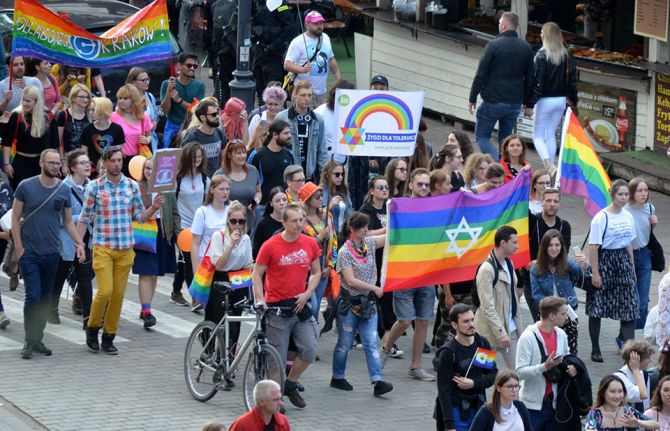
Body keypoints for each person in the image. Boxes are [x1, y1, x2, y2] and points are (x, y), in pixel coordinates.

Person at [77, 146, 164, 354]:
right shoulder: (95, 187)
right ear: (105, 163)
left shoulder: (131, 186)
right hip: (103, 246)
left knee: (118, 295)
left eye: (119, 160)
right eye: (113, 160)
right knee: (105, 291)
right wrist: (79, 244)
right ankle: (93, 327)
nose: (117, 164)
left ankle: (109, 336)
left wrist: (154, 208)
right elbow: (84, 218)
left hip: (126, 247)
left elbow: (139, 216)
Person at [11, 149, 84, 359]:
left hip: (52, 252)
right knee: (32, 296)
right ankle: (28, 340)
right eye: (50, 163)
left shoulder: (63, 190)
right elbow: (16, 218)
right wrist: (19, 246)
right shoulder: (26, 186)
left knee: (45, 298)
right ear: (41, 163)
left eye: (57, 163)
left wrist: (78, 243)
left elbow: (68, 221)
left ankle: (38, 338)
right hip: (30, 252)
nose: (54, 166)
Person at [252, 204, 322, 408]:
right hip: (277, 308)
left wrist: (308, 293)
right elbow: (257, 273)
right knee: (277, 359)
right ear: (284, 222)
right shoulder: (271, 245)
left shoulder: (309, 243)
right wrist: (260, 298)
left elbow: (316, 271)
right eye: (294, 220)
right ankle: (275, 401)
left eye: (301, 219)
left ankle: (290, 384)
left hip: (300, 305)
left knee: (309, 349)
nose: (299, 224)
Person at [380, 168, 436, 381]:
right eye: (419, 184)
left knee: (422, 320)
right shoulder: (399, 206)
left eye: (426, 185)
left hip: (427, 273)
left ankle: (415, 366)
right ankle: (385, 348)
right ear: (411, 185)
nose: (423, 188)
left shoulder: (434, 208)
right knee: (404, 320)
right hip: (405, 271)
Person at [330, 211, 393, 397]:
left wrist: (399, 220)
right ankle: (337, 376)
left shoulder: (369, 244)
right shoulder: (344, 252)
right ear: (352, 229)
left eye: (367, 226)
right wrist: (374, 288)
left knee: (371, 342)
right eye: (363, 227)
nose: (367, 230)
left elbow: (389, 237)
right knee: (345, 343)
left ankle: (377, 380)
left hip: (368, 305)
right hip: (350, 304)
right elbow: (350, 281)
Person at [468, 12, 534, 160]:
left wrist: (472, 97)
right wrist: (528, 103)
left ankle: (497, 165)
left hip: (493, 100)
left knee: (482, 137)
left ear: (503, 25)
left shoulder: (493, 45)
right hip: (515, 101)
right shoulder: (526, 48)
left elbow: (481, 74)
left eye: (499, 24)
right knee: (505, 141)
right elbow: (530, 77)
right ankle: (506, 169)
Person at [588, 179, 638, 362]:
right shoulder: (601, 217)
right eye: (620, 194)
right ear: (612, 195)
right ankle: (595, 348)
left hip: (623, 261)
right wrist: (595, 272)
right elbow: (593, 246)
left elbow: (629, 244)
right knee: (597, 306)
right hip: (605, 261)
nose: (624, 198)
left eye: (626, 194)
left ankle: (630, 349)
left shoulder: (628, 216)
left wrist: (632, 269)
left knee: (629, 305)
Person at [516, 296, 577, 431]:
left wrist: (572, 368)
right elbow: (519, 373)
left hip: (555, 404)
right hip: (532, 407)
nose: (566, 317)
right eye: (563, 313)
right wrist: (544, 367)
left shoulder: (561, 335)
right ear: (551, 316)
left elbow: (566, 359)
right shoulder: (527, 338)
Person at [435, 304, 498, 431]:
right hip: (457, 410)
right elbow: (444, 390)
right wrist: (449, 424)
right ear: (454, 325)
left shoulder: (481, 343)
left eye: (472, 319)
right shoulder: (448, 352)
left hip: (479, 407)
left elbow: (493, 375)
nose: (471, 324)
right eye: (466, 321)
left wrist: (473, 383)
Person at [49, 149, 94, 328]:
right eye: (83, 163)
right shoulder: (62, 188)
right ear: (73, 168)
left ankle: (88, 317)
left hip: (86, 241)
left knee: (85, 276)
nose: (88, 165)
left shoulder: (92, 186)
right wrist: (81, 218)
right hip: (66, 241)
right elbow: (58, 218)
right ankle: (52, 308)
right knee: (60, 276)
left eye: (88, 162)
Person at [133, 157, 179, 328]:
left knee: (154, 273)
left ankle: (146, 306)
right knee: (145, 272)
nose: (149, 172)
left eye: (152, 168)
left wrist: (177, 234)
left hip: (163, 232)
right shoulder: (137, 187)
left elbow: (174, 212)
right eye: (146, 168)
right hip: (145, 231)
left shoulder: (167, 189)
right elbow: (133, 211)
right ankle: (147, 312)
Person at [529, 21, 578, 175]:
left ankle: (548, 164)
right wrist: (573, 100)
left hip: (545, 100)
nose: (540, 33)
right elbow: (573, 81)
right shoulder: (566, 55)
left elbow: (538, 82)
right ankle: (551, 170)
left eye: (543, 31)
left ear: (547, 35)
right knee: (550, 134)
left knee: (537, 135)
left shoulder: (541, 55)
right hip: (561, 100)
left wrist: (530, 103)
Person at [358, 176, 399, 352]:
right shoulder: (366, 210)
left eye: (386, 187)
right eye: (380, 187)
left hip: (388, 259)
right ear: (372, 191)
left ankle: (387, 338)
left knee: (387, 299)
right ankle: (384, 338)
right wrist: (387, 228)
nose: (384, 190)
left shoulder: (391, 207)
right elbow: (366, 234)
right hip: (370, 260)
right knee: (375, 298)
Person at [530, 229, 587, 354]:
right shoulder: (536, 268)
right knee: (549, 351)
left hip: (567, 312)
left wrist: (584, 263)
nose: (554, 248)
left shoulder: (567, 264)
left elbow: (580, 270)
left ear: (562, 247)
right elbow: (536, 294)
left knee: (570, 351)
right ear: (544, 247)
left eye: (557, 245)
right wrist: (551, 307)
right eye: (550, 245)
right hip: (547, 315)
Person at [474, 225, 522, 369]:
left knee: (518, 372)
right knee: (482, 373)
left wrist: (519, 330)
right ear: (503, 243)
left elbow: (513, 299)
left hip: (511, 330)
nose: (518, 246)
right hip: (488, 334)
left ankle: (509, 392)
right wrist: (500, 333)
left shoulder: (509, 263)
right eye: (514, 242)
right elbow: (487, 307)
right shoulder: (486, 270)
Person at [206, 201, 253, 350]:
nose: (237, 225)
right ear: (228, 221)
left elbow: (248, 264)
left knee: (236, 320)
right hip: (221, 278)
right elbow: (218, 265)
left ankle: (230, 354)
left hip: (239, 279)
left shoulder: (245, 239)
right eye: (233, 221)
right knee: (220, 319)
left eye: (241, 221)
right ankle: (213, 350)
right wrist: (231, 244)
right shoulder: (219, 236)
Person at [525, 187, 573, 322]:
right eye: (548, 200)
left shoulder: (564, 226)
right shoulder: (533, 222)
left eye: (555, 201)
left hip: (557, 280)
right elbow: (519, 204)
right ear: (542, 202)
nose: (552, 204)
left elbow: (564, 254)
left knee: (561, 323)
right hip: (534, 280)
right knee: (541, 321)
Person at [172, 143, 210, 306]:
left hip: (199, 224)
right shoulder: (178, 180)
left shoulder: (204, 179)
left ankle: (175, 290)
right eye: (194, 157)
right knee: (188, 259)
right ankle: (195, 297)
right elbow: (172, 202)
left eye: (200, 157)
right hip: (183, 225)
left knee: (186, 260)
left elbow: (207, 201)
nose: (197, 160)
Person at [3, 86, 59, 191]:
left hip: (42, 164)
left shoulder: (49, 116)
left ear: (37, 101)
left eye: (28, 101)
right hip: (21, 163)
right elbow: (7, 142)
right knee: (22, 196)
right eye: (23, 100)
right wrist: (6, 164)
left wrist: (55, 164)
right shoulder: (17, 115)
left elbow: (54, 143)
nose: (24, 103)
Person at [190, 175, 231, 312]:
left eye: (227, 189)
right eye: (221, 189)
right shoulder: (203, 212)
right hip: (208, 263)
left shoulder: (231, 210)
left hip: (227, 263)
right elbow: (195, 243)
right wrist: (196, 272)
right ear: (212, 190)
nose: (225, 192)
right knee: (212, 307)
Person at [284, 10, 341, 107]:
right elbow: (287, 64)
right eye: (315, 23)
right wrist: (301, 69)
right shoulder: (298, 42)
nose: (319, 26)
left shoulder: (326, 38)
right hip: (302, 93)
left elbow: (331, 59)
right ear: (307, 25)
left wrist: (339, 78)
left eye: (321, 23)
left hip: (322, 92)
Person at [275, 80, 327, 182]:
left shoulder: (318, 120)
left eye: (309, 95)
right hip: (287, 174)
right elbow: (274, 145)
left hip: (309, 175)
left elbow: (322, 150)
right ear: (295, 95)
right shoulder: (282, 118)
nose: (307, 99)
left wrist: (323, 177)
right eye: (303, 95)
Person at [299, 181, 337, 321]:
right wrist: (319, 238)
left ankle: (312, 337)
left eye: (322, 196)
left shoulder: (327, 217)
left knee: (317, 302)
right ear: (308, 200)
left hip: (324, 263)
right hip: (307, 266)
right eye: (317, 197)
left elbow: (334, 242)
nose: (321, 199)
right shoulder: (300, 220)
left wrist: (330, 265)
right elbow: (302, 246)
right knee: (312, 305)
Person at [624, 178, 658, 330]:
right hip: (626, 255)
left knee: (642, 301)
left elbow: (646, 234)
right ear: (632, 192)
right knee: (632, 299)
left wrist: (654, 225)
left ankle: (636, 337)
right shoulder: (624, 209)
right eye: (640, 190)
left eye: (646, 190)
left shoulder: (650, 208)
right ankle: (625, 336)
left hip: (644, 255)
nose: (644, 194)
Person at [250, 0, 298, 105]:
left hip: (273, 55)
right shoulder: (256, 3)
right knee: (260, 90)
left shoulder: (278, 3)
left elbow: (290, 27)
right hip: (258, 51)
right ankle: (262, 116)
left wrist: (274, 46)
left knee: (276, 92)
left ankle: (279, 118)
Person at [249, 119, 295, 217]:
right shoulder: (257, 155)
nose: (289, 136)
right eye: (286, 133)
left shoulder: (289, 154)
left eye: (290, 133)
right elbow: (250, 180)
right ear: (274, 135)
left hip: (285, 206)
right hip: (262, 207)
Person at [160, 53, 206, 149]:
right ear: (179, 66)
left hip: (192, 127)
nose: (192, 68)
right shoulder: (166, 84)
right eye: (189, 65)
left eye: (195, 66)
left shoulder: (200, 86)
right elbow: (165, 111)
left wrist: (178, 100)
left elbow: (196, 109)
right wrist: (169, 91)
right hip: (173, 127)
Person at [214, 140, 261, 230]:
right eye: (238, 153)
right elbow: (213, 199)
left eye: (244, 152)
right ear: (229, 155)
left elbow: (258, 191)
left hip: (248, 222)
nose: (243, 156)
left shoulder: (253, 171)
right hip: (225, 224)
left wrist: (255, 201)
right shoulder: (219, 174)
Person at [584, 374, 659, 430]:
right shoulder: (596, 414)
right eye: (612, 392)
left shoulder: (628, 412)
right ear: (603, 393)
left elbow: (656, 424)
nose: (617, 396)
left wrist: (638, 422)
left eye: (620, 391)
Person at [469, 370, 533, 431]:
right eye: (510, 386)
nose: (514, 390)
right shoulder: (486, 411)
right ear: (499, 388)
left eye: (516, 386)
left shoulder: (520, 406)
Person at [111, 84, 152, 175]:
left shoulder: (143, 117)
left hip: (139, 158)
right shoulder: (113, 116)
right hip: (121, 159)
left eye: (125, 98)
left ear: (133, 100)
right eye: (120, 98)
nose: (121, 101)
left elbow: (149, 135)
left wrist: (147, 139)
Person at [79, 97, 125, 176]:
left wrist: (104, 162)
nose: (90, 112)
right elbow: (84, 151)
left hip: (112, 169)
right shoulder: (88, 129)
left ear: (102, 110)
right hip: (92, 170)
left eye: (93, 110)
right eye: (90, 110)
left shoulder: (117, 129)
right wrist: (87, 166)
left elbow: (118, 151)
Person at [314, 80, 355, 166]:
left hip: (345, 166)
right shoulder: (319, 114)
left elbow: (352, 142)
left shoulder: (351, 115)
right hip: (324, 166)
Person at [182, 98, 226, 176]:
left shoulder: (219, 133)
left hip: (216, 179)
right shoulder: (192, 135)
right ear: (203, 117)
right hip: (199, 179)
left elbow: (223, 158)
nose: (218, 117)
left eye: (218, 113)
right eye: (214, 114)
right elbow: (185, 160)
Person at [126, 67, 159, 154]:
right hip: (134, 142)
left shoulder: (150, 97)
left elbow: (155, 117)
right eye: (143, 80)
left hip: (150, 141)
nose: (147, 82)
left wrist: (155, 123)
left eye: (148, 79)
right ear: (133, 82)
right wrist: (149, 126)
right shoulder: (127, 98)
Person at [616, 340, 654, 412]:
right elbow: (642, 395)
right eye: (648, 357)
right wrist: (636, 370)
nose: (650, 360)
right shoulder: (619, 378)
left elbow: (646, 403)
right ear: (636, 359)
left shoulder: (644, 374)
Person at [252, 186, 287, 259]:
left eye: (284, 200)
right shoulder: (263, 223)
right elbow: (256, 250)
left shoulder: (291, 220)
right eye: (277, 201)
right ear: (271, 203)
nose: (282, 203)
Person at [57, 84, 92, 153]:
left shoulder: (91, 116)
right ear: (73, 98)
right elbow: (59, 141)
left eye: (87, 97)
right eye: (81, 97)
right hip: (68, 158)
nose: (85, 100)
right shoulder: (63, 115)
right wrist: (61, 159)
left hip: (87, 159)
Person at [320, 159, 352, 232]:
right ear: (326, 174)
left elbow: (350, 212)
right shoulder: (320, 192)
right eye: (337, 174)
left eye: (342, 174)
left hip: (345, 233)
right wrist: (330, 205)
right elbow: (318, 217)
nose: (340, 177)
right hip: (331, 235)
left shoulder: (344, 191)